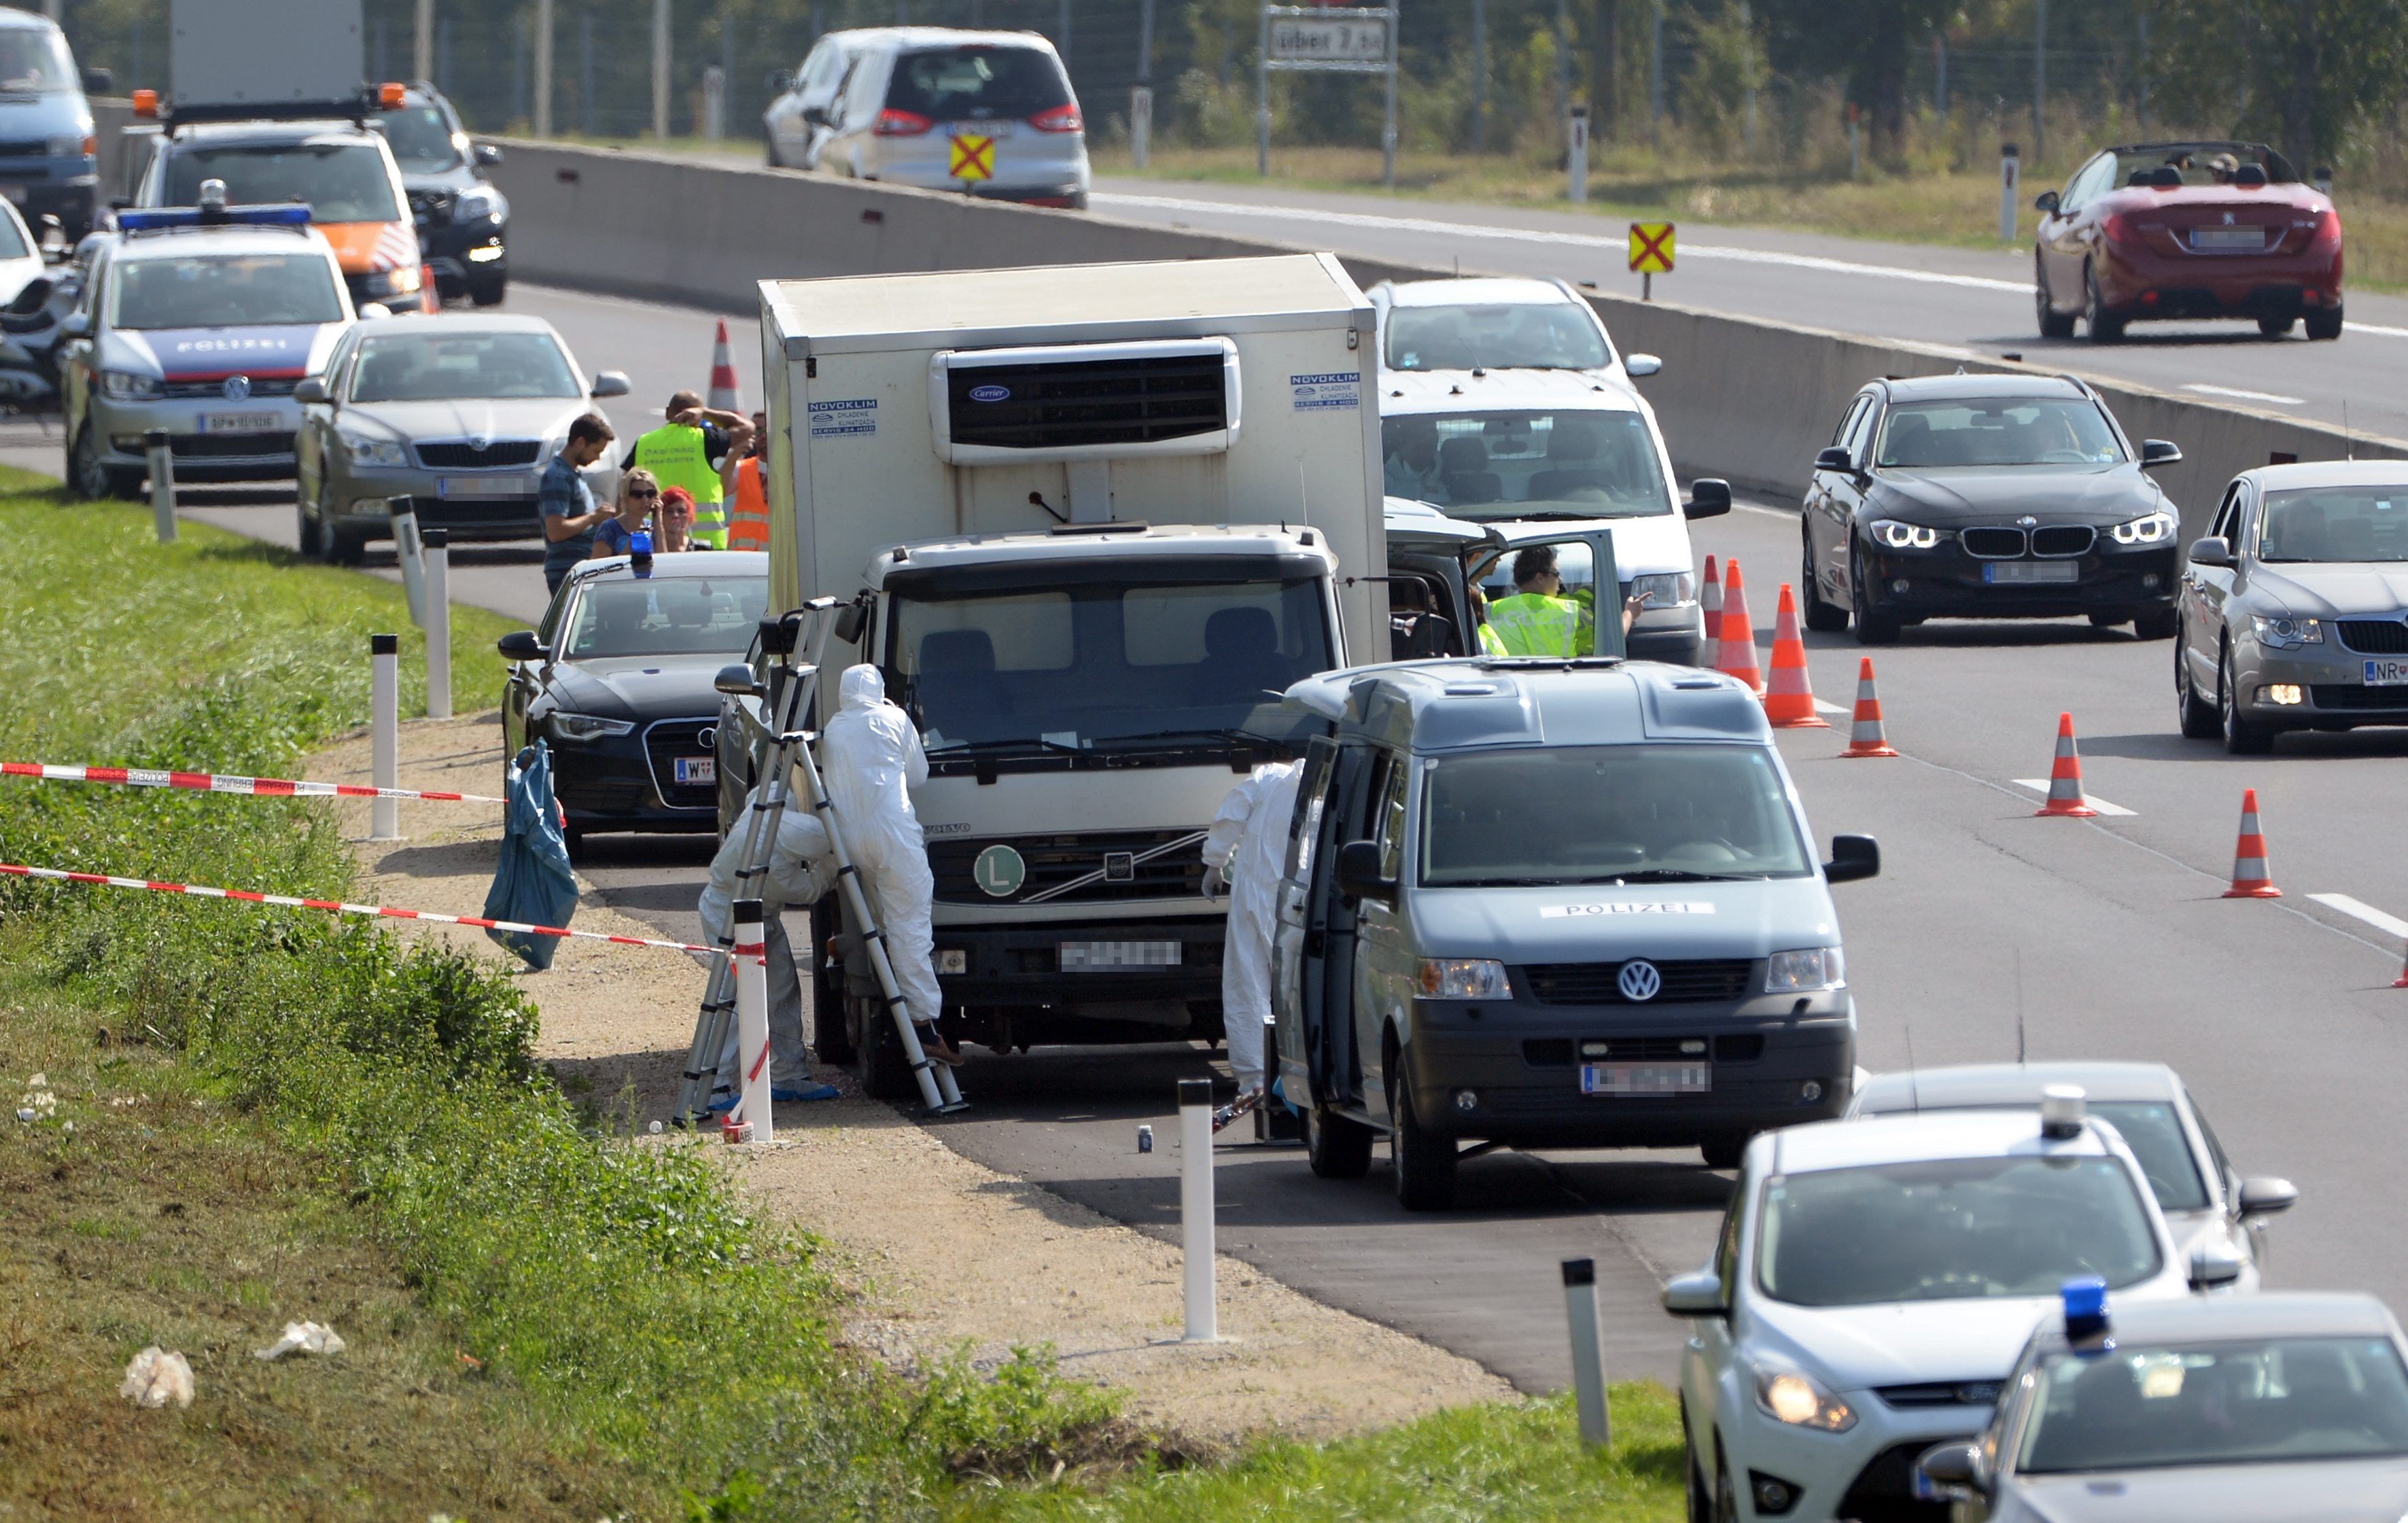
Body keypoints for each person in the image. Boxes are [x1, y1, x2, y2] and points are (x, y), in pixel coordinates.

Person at [819, 665, 961, 1066]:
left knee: (884, 926)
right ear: (880, 691)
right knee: (911, 929)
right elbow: (919, 776)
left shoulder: (833, 729)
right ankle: (924, 1027)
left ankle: (892, 1009)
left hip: (852, 843)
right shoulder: (894, 718)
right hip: (894, 836)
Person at [697, 783, 843, 1110]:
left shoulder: (768, 809)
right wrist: (834, 863)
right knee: (732, 1000)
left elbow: (769, 787)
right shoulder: (773, 860)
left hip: (759, 912)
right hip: (729, 915)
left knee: (780, 989)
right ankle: (715, 1086)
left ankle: (789, 1074)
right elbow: (808, 891)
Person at [1202, 758, 1302, 1099]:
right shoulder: (1333, 784)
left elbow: (1232, 812)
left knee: (1247, 985)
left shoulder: (1270, 777)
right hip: (1303, 904)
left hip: (1254, 894)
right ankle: (1304, 1077)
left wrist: (1215, 863)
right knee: (1299, 992)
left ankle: (1254, 1081)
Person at [623, 389, 752, 550]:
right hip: (706, 544)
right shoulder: (704, 439)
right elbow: (747, 428)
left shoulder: (645, 442)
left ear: (667, 413)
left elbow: (624, 486)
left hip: (656, 540)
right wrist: (705, 413)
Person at [1482, 545, 1655, 657]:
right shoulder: (1569, 611)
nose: (1561, 579)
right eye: (1556, 574)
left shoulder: (1491, 612)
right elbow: (1611, 641)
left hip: (1515, 689)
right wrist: (1629, 613)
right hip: (1561, 688)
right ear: (1540, 578)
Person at [540, 412, 616, 595]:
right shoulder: (558, 477)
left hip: (580, 565)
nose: (597, 458)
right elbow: (556, 531)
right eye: (596, 451)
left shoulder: (571, 474)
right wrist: (593, 517)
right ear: (581, 443)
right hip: (567, 569)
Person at [720, 409, 772, 551]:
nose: (763, 435)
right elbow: (720, 491)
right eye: (758, 431)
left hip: (776, 557)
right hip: (742, 556)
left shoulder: (790, 470)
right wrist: (734, 454)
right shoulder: (742, 468)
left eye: (767, 429)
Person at [589, 467, 659, 560]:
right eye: (637, 494)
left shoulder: (653, 526)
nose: (645, 500)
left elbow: (663, 563)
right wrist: (632, 545)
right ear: (626, 498)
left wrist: (658, 518)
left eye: (650, 494)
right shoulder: (609, 528)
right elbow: (598, 568)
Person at [1383, 417, 1445, 501]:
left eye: (1429, 447)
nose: (1423, 453)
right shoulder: (1384, 478)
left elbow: (1445, 511)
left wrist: (1431, 485)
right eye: (1417, 447)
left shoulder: (1441, 481)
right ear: (1403, 447)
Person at [657, 486, 697, 551]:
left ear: (689, 517)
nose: (675, 515)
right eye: (669, 511)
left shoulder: (702, 549)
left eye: (681, 511)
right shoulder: (650, 549)